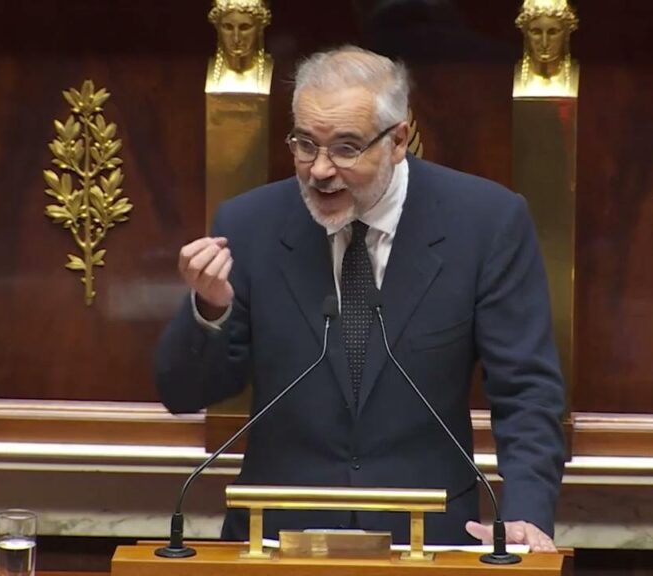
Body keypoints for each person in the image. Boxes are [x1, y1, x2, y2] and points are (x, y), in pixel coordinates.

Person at [156, 46, 565, 550]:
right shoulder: (250, 225)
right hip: (276, 542)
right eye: (305, 144)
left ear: (398, 140)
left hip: (428, 542)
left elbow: (526, 390)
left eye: (346, 148)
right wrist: (209, 309)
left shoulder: (485, 223)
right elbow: (182, 393)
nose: (320, 170)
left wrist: (526, 514)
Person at [206, 0, 273, 94]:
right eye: (228, 27)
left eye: (245, 27)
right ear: (218, 27)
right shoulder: (198, 72)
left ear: (260, 28)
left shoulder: (275, 74)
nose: (236, 38)